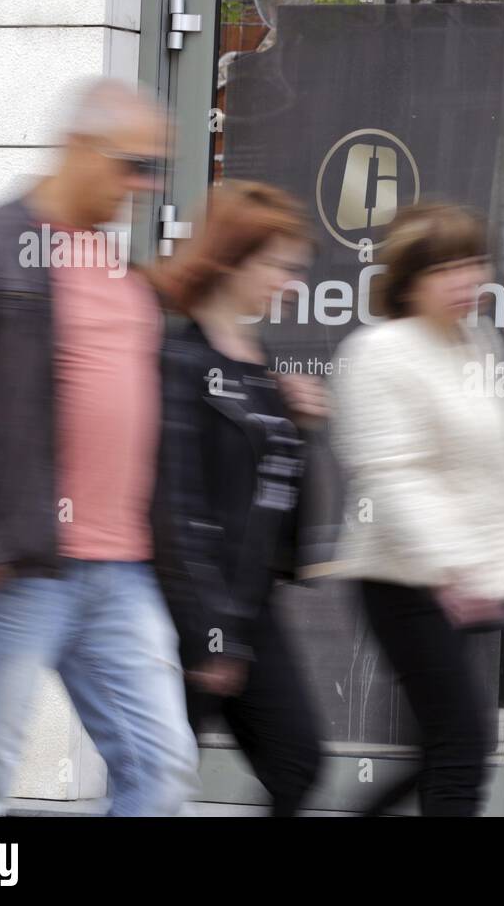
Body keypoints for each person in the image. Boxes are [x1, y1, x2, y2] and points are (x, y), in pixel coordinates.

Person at [0, 78, 200, 816]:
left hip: (123, 572)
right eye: (133, 164)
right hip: (21, 565)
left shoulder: (120, 272)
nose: (143, 185)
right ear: (79, 146)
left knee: (160, 769)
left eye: (155, 171)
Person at [332, 203, 504, 816]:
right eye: (445, 268)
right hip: (406, 578)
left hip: (476, 580)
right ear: (409, 280)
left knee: (442, 745)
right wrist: (449, 567)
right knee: (462, 744)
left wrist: (502, 565)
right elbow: (391, 475)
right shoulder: (380, 352)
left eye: (473, 262)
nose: (466, 279)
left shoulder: (477, 343)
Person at [149, 181, 327, 817]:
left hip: (253, 605)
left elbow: (274, 509)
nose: (291, 282)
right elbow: (176, 509)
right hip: (192, 611)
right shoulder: (180, 359)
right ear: (230, 259)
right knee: (160, 782)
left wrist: (294, 426)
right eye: (278, 265)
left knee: (297, 760)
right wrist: (210, 635)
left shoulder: (260, 362)